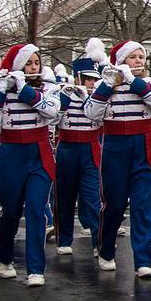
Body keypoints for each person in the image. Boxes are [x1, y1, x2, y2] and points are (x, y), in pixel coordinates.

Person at [84, 40, 151, 278]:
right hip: (115, 149)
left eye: (141, 57)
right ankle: (106, 250)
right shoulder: (106, 85)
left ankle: (142, 260)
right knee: (115, 203)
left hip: (145, 146)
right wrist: (108, 85)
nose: (139, 61)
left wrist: (132, 79)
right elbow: (91, 113)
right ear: (121, 61)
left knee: (143, 204)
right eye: (133, 57)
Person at [0, 43, 61, 287]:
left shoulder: (47, 88)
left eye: (36, 62)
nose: (34, 67)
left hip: (39, 153)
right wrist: (0, 91)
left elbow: (52, 112)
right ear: (18, 65)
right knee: (11, 210)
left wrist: (23, 88)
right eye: (28, 63)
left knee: (36, 208)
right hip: (10, 154)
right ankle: (3, 257)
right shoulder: (2, 91)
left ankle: (35, 268)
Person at [53, 38, 106, 258]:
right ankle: (64, 239)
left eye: (95, 79)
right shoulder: (63, 94)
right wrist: (65, 98)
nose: (92, 84)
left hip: (90, 148)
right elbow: (53, 119)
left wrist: (93, 99)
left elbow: (103, 121)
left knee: (93, 197)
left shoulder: (100, 97)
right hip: (67, 148)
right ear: (78, 78)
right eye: (87, 79)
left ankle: (98, 240)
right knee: (65, 196)